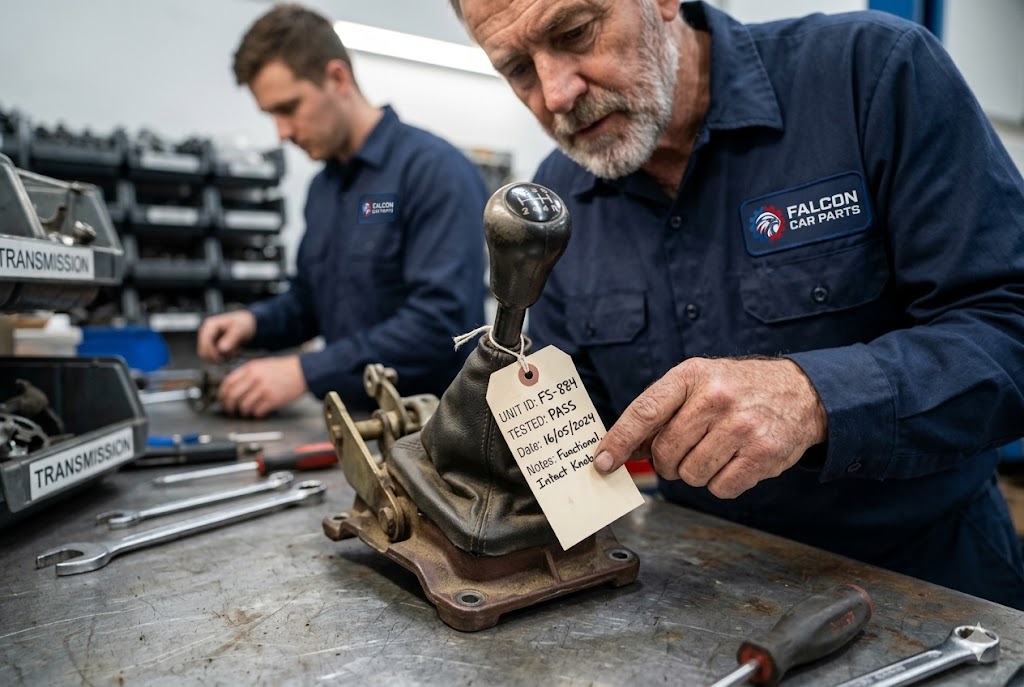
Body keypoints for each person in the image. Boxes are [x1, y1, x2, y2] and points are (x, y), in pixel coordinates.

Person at [450, 0, 1024, 608]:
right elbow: (580, 412)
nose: (556, 94)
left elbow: (1008, 323)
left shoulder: (872, 74)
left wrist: (816, 397)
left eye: (575, 32)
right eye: (516, 68)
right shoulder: (561, 199)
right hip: (705, 591)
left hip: (932, 581)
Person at [198, 4, 488, 417]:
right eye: (271, 116)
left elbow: (442, 326)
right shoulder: (324, 188)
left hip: (433, 433)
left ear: (337, 78)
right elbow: (312, 302)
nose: (282, 133)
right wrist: (253, 322)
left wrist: (305, 371)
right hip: (350, 421)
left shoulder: (434, 172)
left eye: (288, 108)